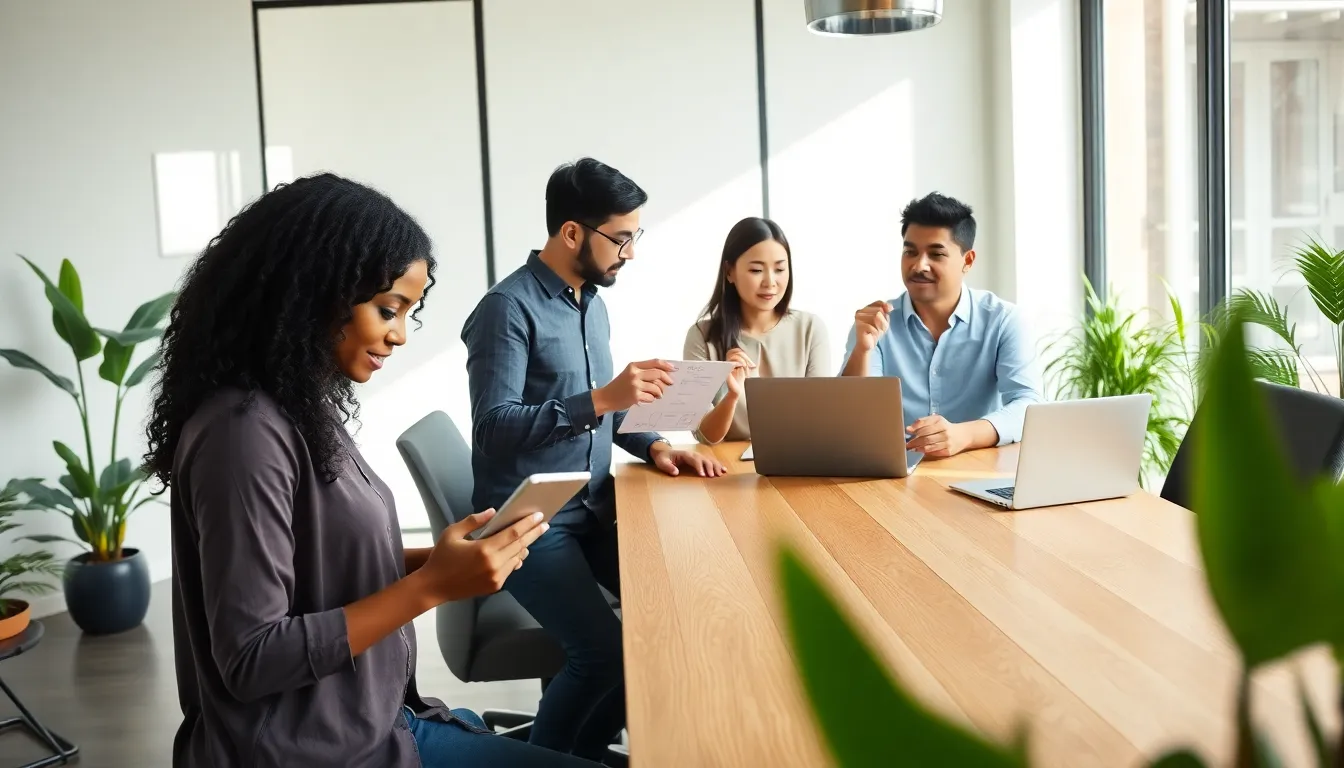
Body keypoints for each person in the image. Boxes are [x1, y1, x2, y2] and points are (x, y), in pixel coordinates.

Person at [145, 173, 599, 768]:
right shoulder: (243, 435)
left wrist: (437, 563)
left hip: (376, 720)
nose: (401, 335)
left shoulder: (296, 405)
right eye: (388, 309)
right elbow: (252, 656)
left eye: (409, 311)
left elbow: (318, 569)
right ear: (312, 293)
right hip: (312, 750)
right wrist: (431, 586)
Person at [460, 158, 725, 761]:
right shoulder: (507, 309)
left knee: (676, 610)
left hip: (590, 510)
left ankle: (583, 747)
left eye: (635, 236)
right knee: (606, 654)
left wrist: (655, 445)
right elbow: (493, 430)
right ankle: (550, 759)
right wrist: (604, 396)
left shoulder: (590, 302)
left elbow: (603, 414)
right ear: (572, 233)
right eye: (621, 237)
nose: (630, 252)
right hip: (530, 523)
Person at [840, 192, 1042, 458]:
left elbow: (1028, 405)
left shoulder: (1003, 320)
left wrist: (964, 435)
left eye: (936, 254)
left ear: (967, 261)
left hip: (978, 468)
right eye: (910, 252)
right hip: (892, 473)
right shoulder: (875, 322)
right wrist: (862, 351)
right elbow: (852, 418)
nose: (919, 265)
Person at [683, 216, 830, 444]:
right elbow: (704, 435)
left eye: (780, 269)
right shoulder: (702, 337)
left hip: (798, 461)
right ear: (729, 271)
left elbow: (822, 417)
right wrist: (731, 396)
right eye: (756, 270)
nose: (770, 282)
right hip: (727, 470)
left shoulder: (810, 328)